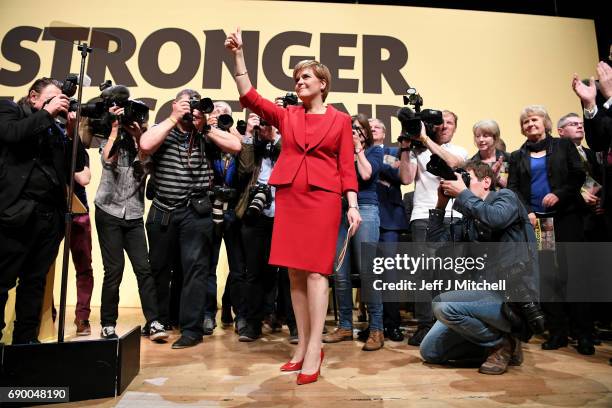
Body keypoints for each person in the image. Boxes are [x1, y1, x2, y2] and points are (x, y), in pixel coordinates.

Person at [225, 27, 360, 385]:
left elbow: (346, 166)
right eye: (297, 78)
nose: (299, 82)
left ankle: (314, 347)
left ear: (322, 84)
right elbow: (251, 98)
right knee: (295, 273)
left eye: (306, 77)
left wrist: (353, 204)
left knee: (316, 272)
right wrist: (238, 56)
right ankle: (300, 347)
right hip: (290, 197)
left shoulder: (341, 120)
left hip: (323, 200)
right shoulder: (288, 115)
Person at [140, 89, 241, 349]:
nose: (189, 110)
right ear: (174, 105)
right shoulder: (164, 129)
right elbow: (146, 144)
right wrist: (175, 118)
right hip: (163, 210)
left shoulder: (204, 134)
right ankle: (158, 321)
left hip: (196, 211)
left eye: (193, 105)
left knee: (195, 271)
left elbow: (236, 146)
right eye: (185, 104)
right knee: (159, 269)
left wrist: (204, 126)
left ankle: (191, 329)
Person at [420, 161, 536, 375]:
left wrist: (463, 193)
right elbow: (435, 242)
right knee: (430, 351)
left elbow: (496, 219)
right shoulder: (469, 219)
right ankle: (498, 345)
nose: (461, 184)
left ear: (486, 182)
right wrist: (440, 204)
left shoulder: (506, 197)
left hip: (512, 298)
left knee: (442, 305)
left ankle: (503, 343)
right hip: (482, 298)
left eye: (468, 179)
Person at [0, 77, 85, 344]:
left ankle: (25, 344)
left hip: (49, 218)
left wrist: (71, 133)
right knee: (2, 282)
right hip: (14, 214)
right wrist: (48, 113)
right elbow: (12, 135)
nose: (58, 104)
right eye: (51, 98)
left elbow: (78, 164)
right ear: (33, 97)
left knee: (34, 283)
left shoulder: (56, 128)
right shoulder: (10, 110)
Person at [507, 105, 585, 351]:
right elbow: (513, 188)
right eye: (526, 122)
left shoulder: (563, 146)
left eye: (534, 120)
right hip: (542, 224)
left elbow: (578, 175)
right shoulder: (518, 155)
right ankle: (558, 333)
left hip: (566, 218)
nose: (530, 124)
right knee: (549, 276)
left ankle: (583, 333)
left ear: (546, 123)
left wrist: (559, 194)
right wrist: (526, 211)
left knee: (574, 275)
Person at [95, 103, 168, 342]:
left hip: (134, 214)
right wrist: (115, 129)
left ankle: (154, 321)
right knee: (114, 270)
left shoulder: (145, 144)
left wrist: (139, 137)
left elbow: (146, 167)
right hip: (109, 212)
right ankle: (107, 324)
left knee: (143, 269)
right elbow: (107, 162)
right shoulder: (112, 139)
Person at [398, 109, 468, 346]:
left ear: (455, 127)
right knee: (423, 274)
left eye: (450, 122)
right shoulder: (419, 150)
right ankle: (425, 325)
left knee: (450, 273)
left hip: (453, 217)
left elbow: (453, 164)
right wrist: (407, 147)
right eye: (441, 123)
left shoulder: (460, 151)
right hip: (423, 216)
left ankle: (449, 324)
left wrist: (425, 140)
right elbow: (406, 179)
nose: (444, 126)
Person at [324, 114, 384, 351]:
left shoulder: (374, 151)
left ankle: (376, 328)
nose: (354, 132)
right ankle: (345, 325)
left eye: (359, 129)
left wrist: (358, 148)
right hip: (339, 212)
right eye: (351, 129)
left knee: (368, 272)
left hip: (366, 210)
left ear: (366, 132)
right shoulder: (339, 154)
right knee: (340, 272)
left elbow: (367, 174)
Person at [203, 100, 247, 335]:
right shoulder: (206, 141)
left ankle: (239, 314)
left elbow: (245, 153)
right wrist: (207, 129)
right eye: (216, 112)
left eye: (224, 114)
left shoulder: (238, 138)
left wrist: (230, 129)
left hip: (235, 210)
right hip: (211, 209)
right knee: (208, 264)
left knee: (238, 266)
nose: (219, 116)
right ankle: (208, 313)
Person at [470, 119, 510, 188]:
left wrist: (497, 177)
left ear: (495, 138)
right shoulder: (471, 163)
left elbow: (516, 188)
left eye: (485, 136)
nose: (481, 140)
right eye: (477, 136)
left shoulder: (509, 158)